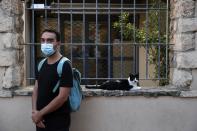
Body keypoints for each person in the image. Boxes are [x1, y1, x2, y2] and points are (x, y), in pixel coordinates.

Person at [32, 29, 73, 131]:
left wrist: (39, 114)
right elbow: (36, 90)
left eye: (50, 41)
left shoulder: (65, 65)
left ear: (58, 43)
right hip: (40, 119)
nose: (45, 44)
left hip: (58, 121)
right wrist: (35, 113)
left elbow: (62, 97)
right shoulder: (41, 64)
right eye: (43, 40)